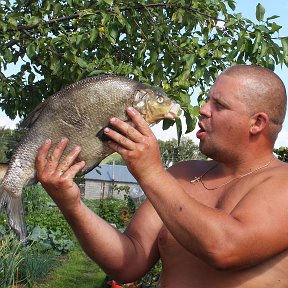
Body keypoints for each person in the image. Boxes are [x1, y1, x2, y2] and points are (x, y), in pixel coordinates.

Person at [35, 64, 288, 287]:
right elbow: (128, 263)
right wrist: (72, 205)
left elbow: (225, 249)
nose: (202, 109)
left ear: (257, 123)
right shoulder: (181, 175)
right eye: (207, 100)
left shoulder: (282, 183)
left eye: (218, 105)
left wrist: (151, 172)